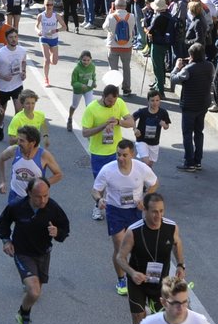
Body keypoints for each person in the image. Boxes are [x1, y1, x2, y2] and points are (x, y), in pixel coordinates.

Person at [0, 178, 70, 324]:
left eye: (46, 195)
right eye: (38, 196)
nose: (42, 200)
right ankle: (24, 315)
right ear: (29, 193)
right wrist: (6, 240)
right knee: (34, 291)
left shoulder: (53, 208)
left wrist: (58, 233)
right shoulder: (17, 206)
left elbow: (65, 229)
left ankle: (23, 310)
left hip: (43, 253)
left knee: (36, 291)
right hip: (22, 253)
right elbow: (2, 222)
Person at [93, 140, 159, 294]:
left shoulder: (141, 168)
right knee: (120, 246)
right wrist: (99, 199)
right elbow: (95, 190)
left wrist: (145, 198)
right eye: (118, 155)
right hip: (115, 211)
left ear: (132, 155)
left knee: (138, 246)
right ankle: (121, 279)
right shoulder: (107, 170)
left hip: (134, 211)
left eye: (124, 155)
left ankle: (138, 275)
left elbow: (155, 184)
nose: (120, 158)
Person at [116, 192, 187, 324]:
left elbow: (177, 243)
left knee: (162, 321)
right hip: (138, 282)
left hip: (160, 283)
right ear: (145, 210)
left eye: (161, 211)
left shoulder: (171, 227)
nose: (158, 216)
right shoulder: (133, 231)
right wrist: (132, 273)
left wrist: (180, 264)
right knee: (138, 319)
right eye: (154, 211)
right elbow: (120, 257)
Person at [80, 82, 134, 214]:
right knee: (100, 184)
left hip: (116, 152)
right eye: (109, 101)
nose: (112, 104)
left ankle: (122, 207)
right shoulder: (92, 109)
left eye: (114, 101)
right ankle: (97, 207)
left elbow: (131, 122)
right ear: (103, 96)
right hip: (98, 153)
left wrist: (118, 122)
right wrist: (103, 126)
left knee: (120, 180)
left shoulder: (119, 103)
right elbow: (85, 132)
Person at [169, 44, 214, 172]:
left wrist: (177, 68)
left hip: (189, 105)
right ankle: (198, 161)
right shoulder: (210, 66)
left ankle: (189, 162)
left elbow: (174, 79)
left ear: (192, 55)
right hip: (203, 104)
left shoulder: (188, 69)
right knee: (199, 132)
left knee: (187, 134)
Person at [0, 126, 63, 203]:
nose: (18, 143)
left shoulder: (44, 155)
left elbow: (58, 175)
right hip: (15, 196)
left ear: (32, 143)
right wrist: (2, 182)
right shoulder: (14, 150)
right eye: (18, 139)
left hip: (35, 199)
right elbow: (1, 159)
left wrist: (42, 184)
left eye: (22, 141)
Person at [0, 28, 28, 139]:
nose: (13, 39)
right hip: (3, 87)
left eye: (15, 37)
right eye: (11, 37)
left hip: (17, 85)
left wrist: (24, 72)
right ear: (6, 39)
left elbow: (24, 61)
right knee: (1, 111)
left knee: (19, 109)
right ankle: (0, 126)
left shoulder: (22, 50)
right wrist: (2, 76)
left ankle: (15, 131)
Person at [129, 90, 172, 170]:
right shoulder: (142, 111)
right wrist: (135, 129)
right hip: (141, 140)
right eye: (152, 100)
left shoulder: (163, 112)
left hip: (154, 143)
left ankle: (145, 179)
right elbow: (132, 118)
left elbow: (167, 126)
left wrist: (164, 125)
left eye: (157, 100)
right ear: (148, 101)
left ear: (160, 101)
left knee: (149, 165)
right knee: (146, 163)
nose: (155, 103)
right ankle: (142, 179)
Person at [105, 0, 135, 96]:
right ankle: (126, 89)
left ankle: (114, 90)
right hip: (127, 46)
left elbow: (105, 27)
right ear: (125, 6)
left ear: (115, 6)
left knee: (113, 69)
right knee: (126, 68)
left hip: (113, 46)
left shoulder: (111, 17)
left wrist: (110, 13)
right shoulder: (131, 16)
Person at [67, 50, 97, 130]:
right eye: (84, 60)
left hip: (88, 89)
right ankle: (70, 118)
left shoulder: (92, 66)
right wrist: (81, 85)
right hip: (78, 90)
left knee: (89, 106)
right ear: (80, 59)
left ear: (91, 59)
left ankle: (88, 124)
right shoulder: (77, 69)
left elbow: (92, 77)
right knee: (74, 106)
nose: (86, 62)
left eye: (88, 60)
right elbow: (73, 83)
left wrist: (93, 83)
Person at [35, 0, 62, 86]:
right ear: (44, 5)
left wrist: (56, 30)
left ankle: (51, 55)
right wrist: (38, 31)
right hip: (44, 38)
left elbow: (65, 27)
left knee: (54, 62)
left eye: (51, 5)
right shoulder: (41, 16)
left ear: (53, 5)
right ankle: (46, 79)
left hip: (54, 39)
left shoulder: (56, 16)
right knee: (46, 60)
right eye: (47, 5)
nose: (49, 6)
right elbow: (36, 26)